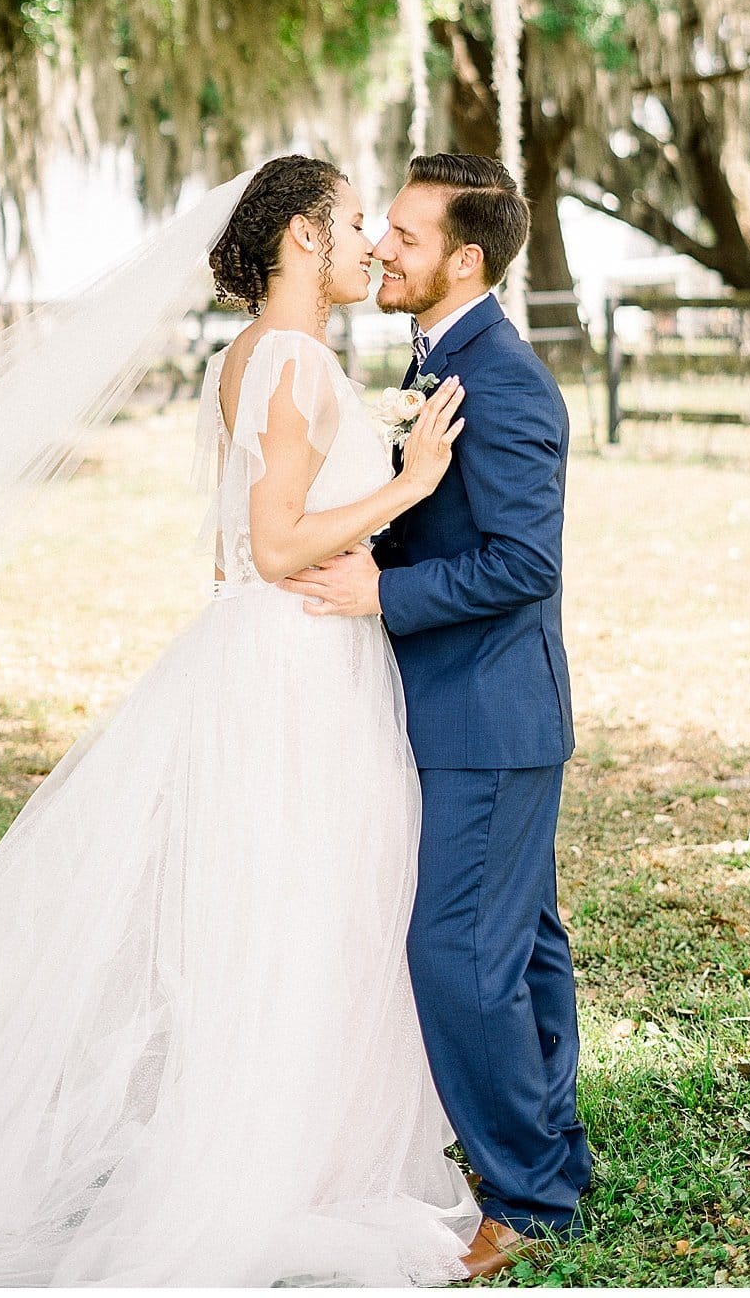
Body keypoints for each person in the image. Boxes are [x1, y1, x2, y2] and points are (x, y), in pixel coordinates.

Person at [0, 154, 481, 1288]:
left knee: (283, 903)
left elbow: (227, 552)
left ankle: (294, 1143)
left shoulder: (248, 356)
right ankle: (282, 1166)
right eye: (350, 224)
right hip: (298, 671)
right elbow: (281, 543)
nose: (369, 246)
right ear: (301, 236)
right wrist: (410, 480)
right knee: (304, 899)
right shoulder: (292, 360)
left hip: (274, 654)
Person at [281, 153, 592, 1279]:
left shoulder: (503, 380)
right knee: (521, 941)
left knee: (458, 950)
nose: (379, 249)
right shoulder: (435, 358)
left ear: (465, 255)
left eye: (402, 235)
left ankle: (528, 1192)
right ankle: (554, 1153)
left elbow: (524, 561)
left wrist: (382, 590)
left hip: (490, 714)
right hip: (462, 708)